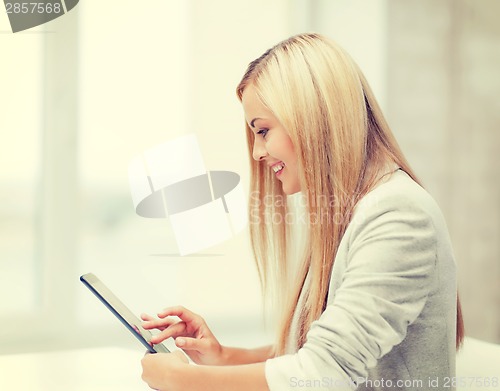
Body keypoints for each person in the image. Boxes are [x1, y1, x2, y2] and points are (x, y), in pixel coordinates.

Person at [140, 32, 464, 391]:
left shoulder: (399, 216)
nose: (257, 153)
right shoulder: (351, 212)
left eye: (263, 130)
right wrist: (222, 357)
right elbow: (319, 351)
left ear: (313, 117)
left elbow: (325, 371)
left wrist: (183, 380)